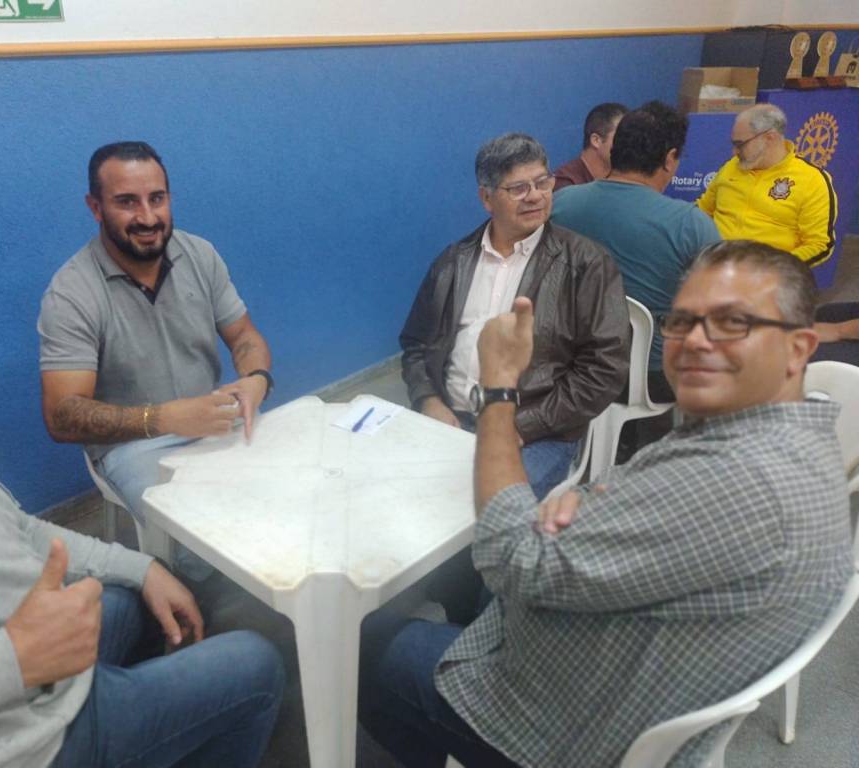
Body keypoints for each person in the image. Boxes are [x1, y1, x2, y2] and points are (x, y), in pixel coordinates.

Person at [361, 239, 853, 768]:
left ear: (799, 349)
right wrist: (591, 497)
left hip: (562, 724)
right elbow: (418, 345)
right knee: (465, 578)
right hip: (621, 647)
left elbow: (512, 559)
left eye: (733, 322)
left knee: (368, 640)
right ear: (487, 198)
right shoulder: (794, 435)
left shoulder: (737, 482)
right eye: (682, 321)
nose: (694, 341)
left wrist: (500, 389)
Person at [0, 233, 284, 768]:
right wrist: (12, 658)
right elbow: (63, 416)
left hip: (39, 672)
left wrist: (142, 568)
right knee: (255, 661)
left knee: (141, 596)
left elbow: (21, 531)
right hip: (26, 739)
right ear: (96, 208)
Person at [38, 141, 273, 583]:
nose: (147, 217)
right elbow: (62, 417)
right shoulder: (71, 293)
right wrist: (163, 418)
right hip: (133, 446)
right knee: (204, 546)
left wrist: (257, 379)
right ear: (95, 208)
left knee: (288, 496)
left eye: (157, 199)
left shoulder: (199, 255)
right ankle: (215, 618)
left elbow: (245, 337)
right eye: (127, 202)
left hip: (213, 421)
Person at [399, 132, 629, 501]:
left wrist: (522, 425)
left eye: (542, 182)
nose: (536, 196)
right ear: (486, 198)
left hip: (536, 431)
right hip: (450, 418)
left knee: (487, 508)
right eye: (519, 188)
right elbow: (416, 343)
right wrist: (428, 399)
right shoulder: (453, 262)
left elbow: (605, 369)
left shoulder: (587, 264)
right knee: (391, 488)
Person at [553, 101, 721, 401]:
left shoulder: (559, 203)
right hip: (650, 377)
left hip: (567, 366)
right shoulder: (692, 225)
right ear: (669, 159)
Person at [697, 103, 837, 268]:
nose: (734, 152)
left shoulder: (812, 180)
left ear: (769, 138)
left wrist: (772, 269)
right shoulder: (731, 166)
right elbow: (702, 211)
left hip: (767, 273)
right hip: (712, 264)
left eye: (740, 144)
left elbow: (820, 245)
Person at [552, 102, 627, 191]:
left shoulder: (624, 180)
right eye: (622, 137)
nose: (629, 144)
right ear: (596, 140)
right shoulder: (566, 184)